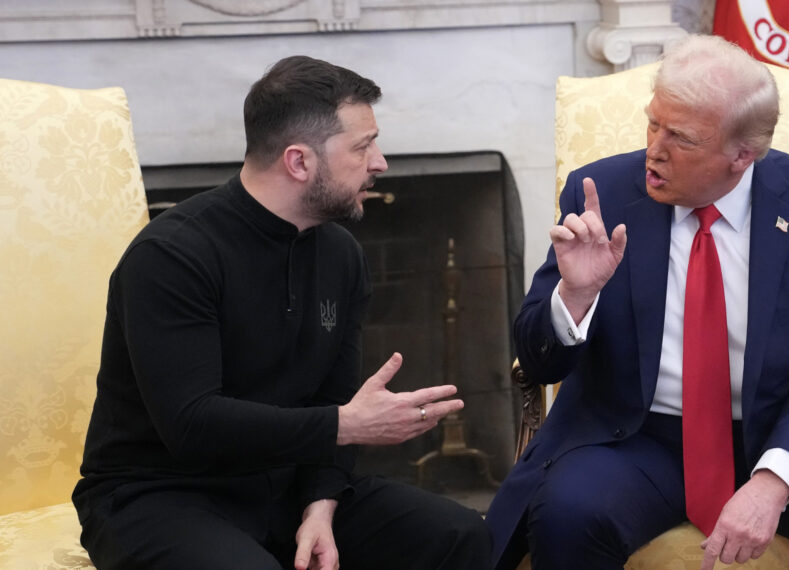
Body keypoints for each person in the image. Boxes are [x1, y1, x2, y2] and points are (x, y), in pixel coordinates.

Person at [485, 34, 789, 570]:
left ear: (743, 155)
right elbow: (538, 360)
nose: (655, 148)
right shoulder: (599, 191)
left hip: (782, 427)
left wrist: (773, 480)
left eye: (682, 138)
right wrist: (575, 296)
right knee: (567, 511)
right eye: (653, 123)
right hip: (638, 435)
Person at [72, 55, 492, 570]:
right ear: (299, 162)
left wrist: (321, 507)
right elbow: (193, 424)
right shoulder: (172, 256)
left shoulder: (341, 254)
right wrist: (345, 425)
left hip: (288, 486)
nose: (380, 162)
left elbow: (333, 398)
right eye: (362, 146)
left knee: (459, 537)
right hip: (158, 495)